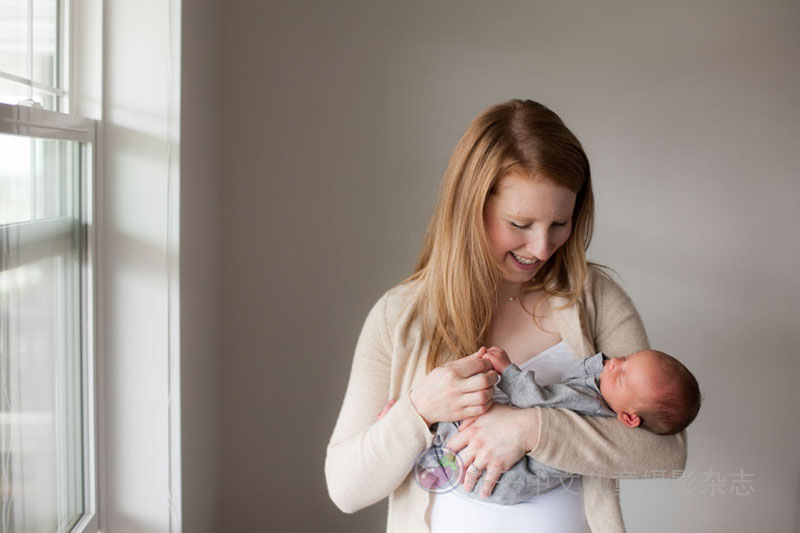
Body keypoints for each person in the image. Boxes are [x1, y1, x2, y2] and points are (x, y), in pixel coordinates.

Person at [324, 100, 687, 533]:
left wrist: (533, 429)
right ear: (471, 208)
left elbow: (667, 453)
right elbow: (346, 489)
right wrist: (418, 411)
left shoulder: (594, 298)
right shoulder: (400, 316)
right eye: (519, 223)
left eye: (560, 223)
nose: (541, 247)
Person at [422, 346, 701, 505]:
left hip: (505, 477)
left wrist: (507, 370)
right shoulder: (604, 397)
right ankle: (426, 439)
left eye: (621, 376)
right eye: (626, 359)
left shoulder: (587, 403)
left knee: (467, 423)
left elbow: (536, 400)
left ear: (628, 418)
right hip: (505, 482)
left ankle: (425, 435)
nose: (613, 362)